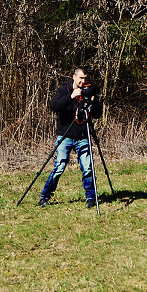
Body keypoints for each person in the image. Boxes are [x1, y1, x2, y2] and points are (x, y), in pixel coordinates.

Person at [38, 68, 102, 208]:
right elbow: (54, 106)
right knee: (59, 166)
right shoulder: (64, 90)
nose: (83, 81)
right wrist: (71, 96)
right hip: (65, 135)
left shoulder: (89, 91)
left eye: (85, 78)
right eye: (80, 78)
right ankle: (45, 197)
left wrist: (93, 101)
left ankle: (91, 198)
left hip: (82, 135)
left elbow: (97, 114)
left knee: (87, 167)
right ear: (74, 77)